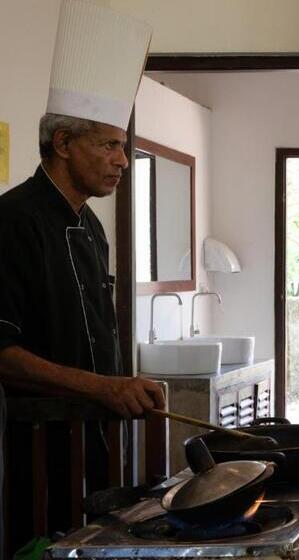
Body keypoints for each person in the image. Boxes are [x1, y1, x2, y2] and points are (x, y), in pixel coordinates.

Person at [0, 0, 163, 551]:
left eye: (124, 147)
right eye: (109, 144)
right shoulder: (12, 221)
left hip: (91, 447)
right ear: (63, 144)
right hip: (28, 452)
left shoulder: (91, 226)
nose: (122, 161)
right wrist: (103, 387)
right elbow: (2, 352)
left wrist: (122, 388)